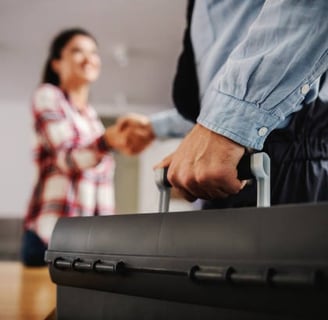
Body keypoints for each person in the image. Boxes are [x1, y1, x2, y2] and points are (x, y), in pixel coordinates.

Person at [117, 0, 328, 208]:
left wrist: (227, 127)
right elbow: (215, 107)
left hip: (289, 163)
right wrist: (155, 127)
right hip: (227, 165)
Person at [21, 28, 128, 266]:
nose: (89, 58)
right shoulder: (48, 96)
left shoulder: (91, 118)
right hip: (51, 238)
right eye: (78, 51)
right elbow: (68, 158)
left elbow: (100, 182)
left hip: (87, 242)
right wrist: (108, 141)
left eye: (94, 52)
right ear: (57, 63)